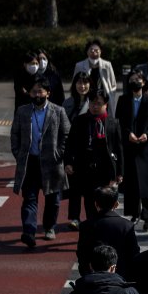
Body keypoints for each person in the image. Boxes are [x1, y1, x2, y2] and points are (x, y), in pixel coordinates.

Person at [11, 75, 70, 248]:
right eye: (34, 91)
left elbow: (66, 135)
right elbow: (14, 134)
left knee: (53, 199)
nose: (37, 95)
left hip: (52, 163)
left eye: (40, 91)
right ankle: (29, 231)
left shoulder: (58, 111)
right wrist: (18, 153)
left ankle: (49, 227)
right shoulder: (22, 111)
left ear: (48, 93)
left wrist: (59, 153)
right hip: (30, 162)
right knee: (29, 199)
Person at [64, 89, 124, 221]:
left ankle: (101, 223)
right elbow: (70, 144)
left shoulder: (113, 123)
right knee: (89, 200)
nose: (95, 106)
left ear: (106, 104)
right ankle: (91, 224)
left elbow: (119, 149)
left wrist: (120, 172)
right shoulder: (80, 121)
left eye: (98, 103)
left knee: (104, 199)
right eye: (92, 103)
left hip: (105, 167)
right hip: (85, 166)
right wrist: (68, 162)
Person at [116, 70, 148, 230]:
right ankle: (134, 213)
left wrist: (147, 135)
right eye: (132, 79)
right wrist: (127, 134)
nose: (135, 82)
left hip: (146, 147)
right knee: (132, 182)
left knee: (147, 184)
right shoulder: (123, 100)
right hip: (129, 146)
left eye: (138, 79)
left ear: (144, 82)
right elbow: (118, 121)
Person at [76, 186, 140, 279]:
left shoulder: (86, 225)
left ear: (96, 204)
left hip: (94, 276)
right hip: (121, 277)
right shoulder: (127, 225)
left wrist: (86, 272)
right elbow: (134, 253)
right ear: (116, 204)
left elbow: (82, 253)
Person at [62, 72, 92, 230]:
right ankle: (74, 217)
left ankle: (90, 217)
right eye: (79, 83)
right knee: (74, 187)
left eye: (85, 83)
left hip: (89, 149)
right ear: (74, 85)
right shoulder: (67, 103)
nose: (82, 86)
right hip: (72, 149)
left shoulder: (94, 102)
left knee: (88, 188)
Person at [72, 39, 118, 116]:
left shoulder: (107, 65)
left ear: (101, 51)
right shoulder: (79, 65)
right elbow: (75, 83)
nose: (94, 52)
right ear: (87, 52)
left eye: (97, 50)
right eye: (91, 50)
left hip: (103, 99)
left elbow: (113, 84)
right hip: (87, 99)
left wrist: (110, 97)